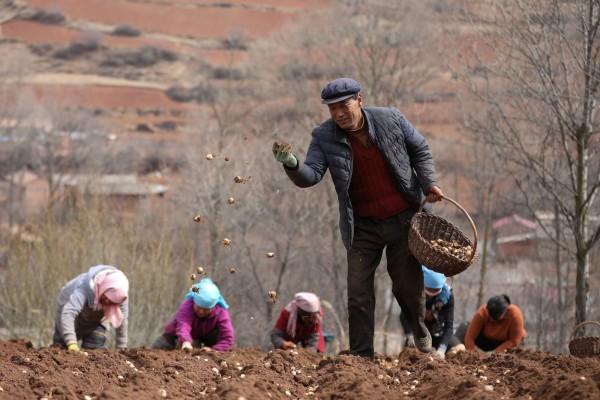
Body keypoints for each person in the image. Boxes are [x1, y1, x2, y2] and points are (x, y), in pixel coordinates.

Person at [272, 77, 443, 358]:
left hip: (404, 220)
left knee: (406, 287)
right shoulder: (324, 136)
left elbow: (420, 150)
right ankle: (362, 356)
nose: (339, 113)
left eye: (344, 105)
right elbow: (311, 175)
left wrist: (429, 184)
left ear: (360, 100)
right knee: (358, 293)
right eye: (332, 108)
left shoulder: (391, 119)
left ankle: (420, 334)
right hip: (362, 227)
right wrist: (291, 163)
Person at [53, 265, 129, 351]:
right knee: (62, 348)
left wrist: (121, 346)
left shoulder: (121, 294)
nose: (107, 302)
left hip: (96, 319)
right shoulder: (83, 288)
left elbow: (122, 319)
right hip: (68, 311)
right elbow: (68, 313)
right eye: (106, 298)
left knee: (95, 344)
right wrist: (72, 343)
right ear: (103, 289)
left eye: (111, 302)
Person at [152, 278, 234, 352]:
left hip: (206, 338)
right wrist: (186, 341)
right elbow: (183, 325)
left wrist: (214, 350)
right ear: (194, 302)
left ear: (213, 307)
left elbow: (228, 337)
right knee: (159, 346)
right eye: (198, 307)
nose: (201, 312)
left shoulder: (221, 311)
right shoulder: (187, 305)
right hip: (177, 335)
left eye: (206, 310)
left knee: (217, 337)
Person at [400, 266, 461, 359]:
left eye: (435, 291)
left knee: (460, 349)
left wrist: (442, 349)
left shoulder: (447, 296)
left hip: (438, 332)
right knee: (413, 354)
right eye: (428, 291)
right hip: (419, 333)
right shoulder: (414, 291)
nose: (431, 294)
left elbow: (449, 325)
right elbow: (404, 315)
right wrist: (409, 335)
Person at [454, 294, 526, 354]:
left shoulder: (515, 314)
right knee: (464, 326)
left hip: (505, 343)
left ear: (504, 312)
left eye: (496, 316)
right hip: (486, 340)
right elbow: (470, 337)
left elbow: (514, 340)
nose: (492, 319)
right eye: (490, 315)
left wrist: (495, 353)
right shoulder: (482, 312)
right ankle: (453, 348)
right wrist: (472, 354)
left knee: (518, 344)